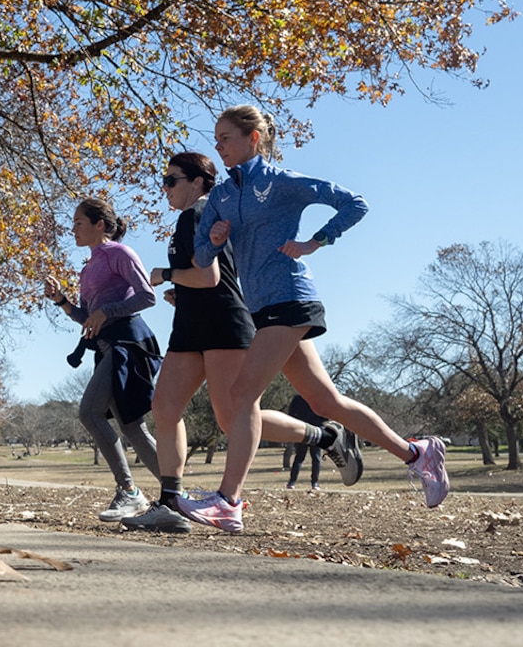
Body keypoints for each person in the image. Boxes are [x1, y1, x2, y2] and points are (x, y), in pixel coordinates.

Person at [175, 105, 449, 533]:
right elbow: (202, 258)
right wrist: (213, 240)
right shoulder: (224, 196)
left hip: (293, 298)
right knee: (326, 403)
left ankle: (228, 501)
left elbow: (354, 203)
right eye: (216, 139)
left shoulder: (283, 182)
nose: (218, 146)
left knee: (242, 395)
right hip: (261, 308)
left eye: (225, 137)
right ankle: (418, 454)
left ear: (253, 138)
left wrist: (316, 241)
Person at [119, 153, 355, 535]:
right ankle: (170, 502)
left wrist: (164, 275)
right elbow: (212, 274)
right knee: (164, 408)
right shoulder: (202, 216)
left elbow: (208, 278)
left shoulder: (199, 214)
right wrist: (183, 289)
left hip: (225, 324)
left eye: (171, 180)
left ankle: (324, 434)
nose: (165, 188)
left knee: (233, 418)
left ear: (197, 182)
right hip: (190, 324)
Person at [42, 197, 162, 524]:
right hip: (109, 345)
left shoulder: (119, 254)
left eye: (79, 222)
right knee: (132, 427)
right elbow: (88, 319)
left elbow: (147, 296)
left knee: (90, 413)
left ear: (100, 225)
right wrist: (62, 301)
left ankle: (130, 492)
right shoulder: (89, 266)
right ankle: (174, 496)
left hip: (130, 342)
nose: (73, 229)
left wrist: (106, 310)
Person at [285, 394, 328, 490]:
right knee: (315, 458)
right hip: (316, 428)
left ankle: (292, 482)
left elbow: (291, 414)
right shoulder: (319, 398)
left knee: (299, 456)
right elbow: (326, 415)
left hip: (302, 428)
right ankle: (314, 483)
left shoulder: (297, 398)